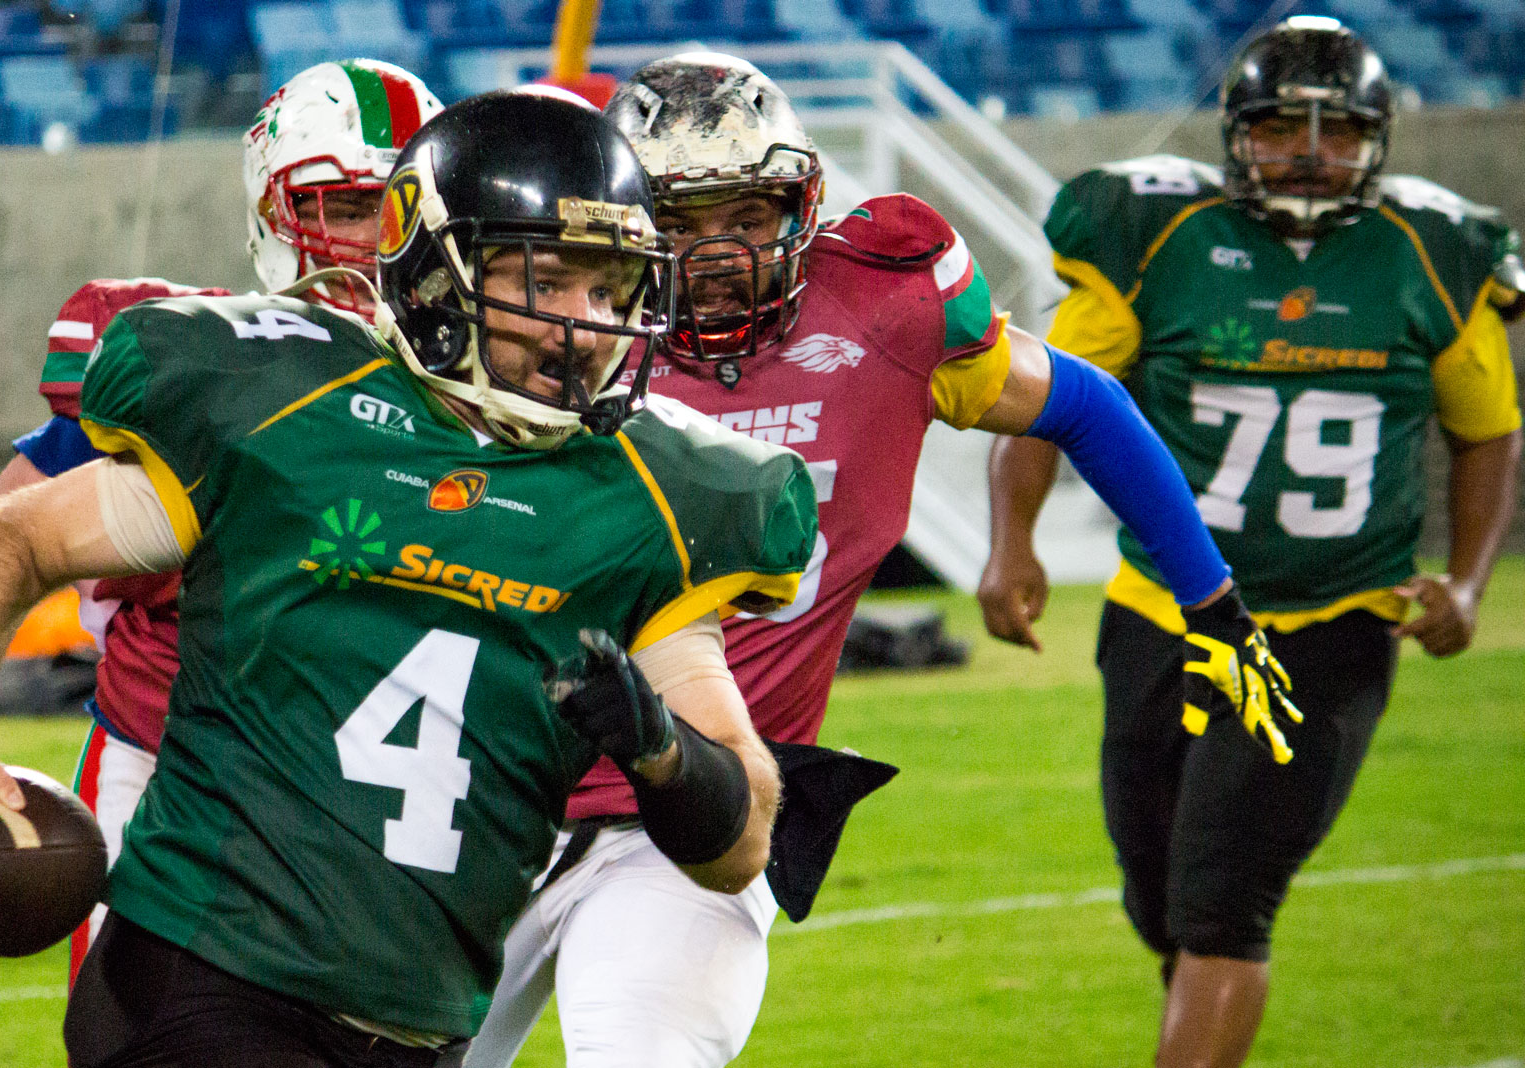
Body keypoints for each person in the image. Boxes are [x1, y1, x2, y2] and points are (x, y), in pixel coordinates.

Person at [0, 91, 819, 1068]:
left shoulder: (653, 495)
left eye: (611, 287)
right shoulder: (294, 408)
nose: (585, 324)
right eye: (549, 278)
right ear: (435, 275)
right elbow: (11, 538)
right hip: (202, 974)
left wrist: (662, 752)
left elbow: (739, 838)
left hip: (421, 1030)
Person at [466, 52, 1296, 1068]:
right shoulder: (546, 327)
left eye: (747, 216)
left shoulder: (883, 310)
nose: (717, 254)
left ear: (803, 205)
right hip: (493, 787)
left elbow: (1084, 403)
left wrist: (1209, 599)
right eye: (679, 223)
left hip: (699, 810)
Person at [978, 17, 1521, 1068]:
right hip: (1163, 609)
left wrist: (1466, 577)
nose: (1307, 154)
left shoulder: (1431, 249)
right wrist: (1013, 542)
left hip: (1330, 616)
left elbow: (1485, 429)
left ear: (1377, 141)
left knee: (1223, 903)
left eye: (1334, 133)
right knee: (1160, 897)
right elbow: (1050, 395)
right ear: (1234, 135)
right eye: (1278, 129)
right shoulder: (1158, 231)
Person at [0, 58, 445, 978]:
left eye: (397, 205)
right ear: (274, 213)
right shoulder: (187, 361)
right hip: (164, 760)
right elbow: (4, 530)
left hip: (392, 788)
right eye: (342, 204)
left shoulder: (506, 388)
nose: (374, 240)